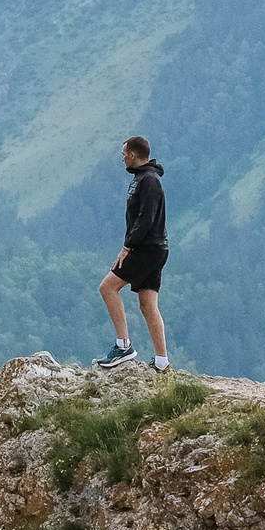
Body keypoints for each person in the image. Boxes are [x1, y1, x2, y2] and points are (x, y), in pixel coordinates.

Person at [93, 136, 169, 370]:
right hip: (155, 249)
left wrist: (128, 246)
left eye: (124, 154)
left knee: (107, 287)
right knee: (147, 304)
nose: (123, 158)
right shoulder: (143, 178)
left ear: (133, 155)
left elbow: (146, 218)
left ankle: (123, 346)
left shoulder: (149, 181)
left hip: (146, 248)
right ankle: (162, 362)